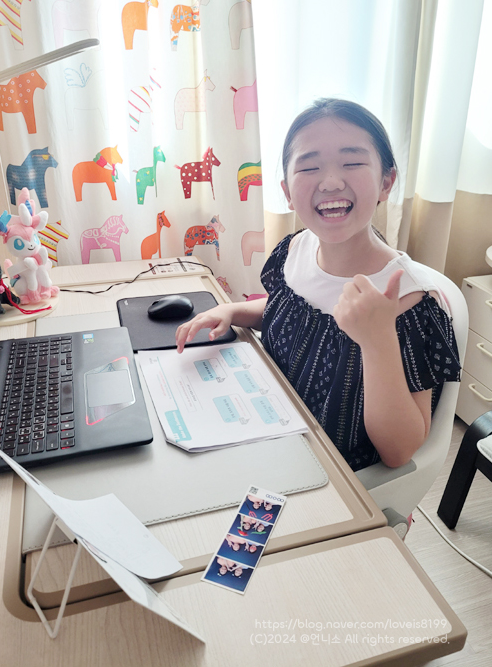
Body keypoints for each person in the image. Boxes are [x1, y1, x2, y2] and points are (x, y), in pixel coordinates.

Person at [176, 98, 460, 472]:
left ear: (386, 182)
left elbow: (400, 451)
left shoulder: (409, 299)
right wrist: (232, 310)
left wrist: (377, 341)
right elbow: (291, 314)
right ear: (287, 192)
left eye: (352, 163)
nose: (330, 182)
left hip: (334, 471)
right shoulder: (297, 248)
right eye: (309, 167)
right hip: (266, 427)